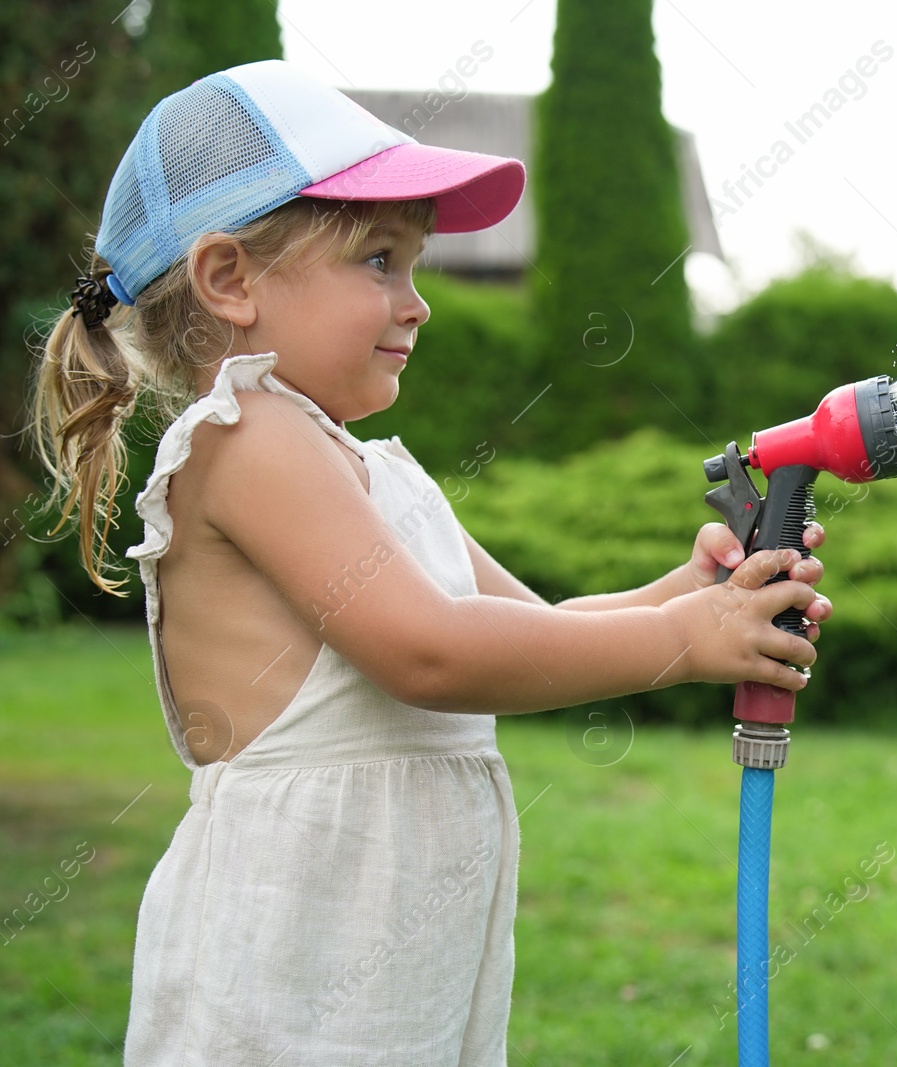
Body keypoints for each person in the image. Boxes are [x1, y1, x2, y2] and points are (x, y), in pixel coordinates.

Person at [24, 59, 830, 1066]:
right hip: (295, 967)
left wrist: (693, 592)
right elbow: (431, 654)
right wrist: (681, 638)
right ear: (230, 280)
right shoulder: (248, 438)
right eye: (378, 260)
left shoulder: (361, 466)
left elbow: (538, 625)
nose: (419, 303)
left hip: (390, 967)